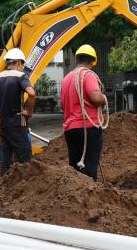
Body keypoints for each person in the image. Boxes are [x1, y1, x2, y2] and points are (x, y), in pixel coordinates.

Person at [60, 44, 108, 181]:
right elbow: (96, 98)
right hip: (88, 129)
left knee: (75, 168)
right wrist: (103, 98)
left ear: (76, 60)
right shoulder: (88, 75)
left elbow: (62, 105)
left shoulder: (66, 78)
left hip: (70, 130)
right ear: (93, 62)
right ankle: (90, 196)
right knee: (90, 166)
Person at [0, 48, 36, 175]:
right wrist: (29, 112)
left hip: (3, 125)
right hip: (17, 123)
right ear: (19, 63)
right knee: (25, 158)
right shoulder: (20, 76)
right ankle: (26, 185)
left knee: (5, 159)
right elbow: (31, 94)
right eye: (23, 65)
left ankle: (4, 186)